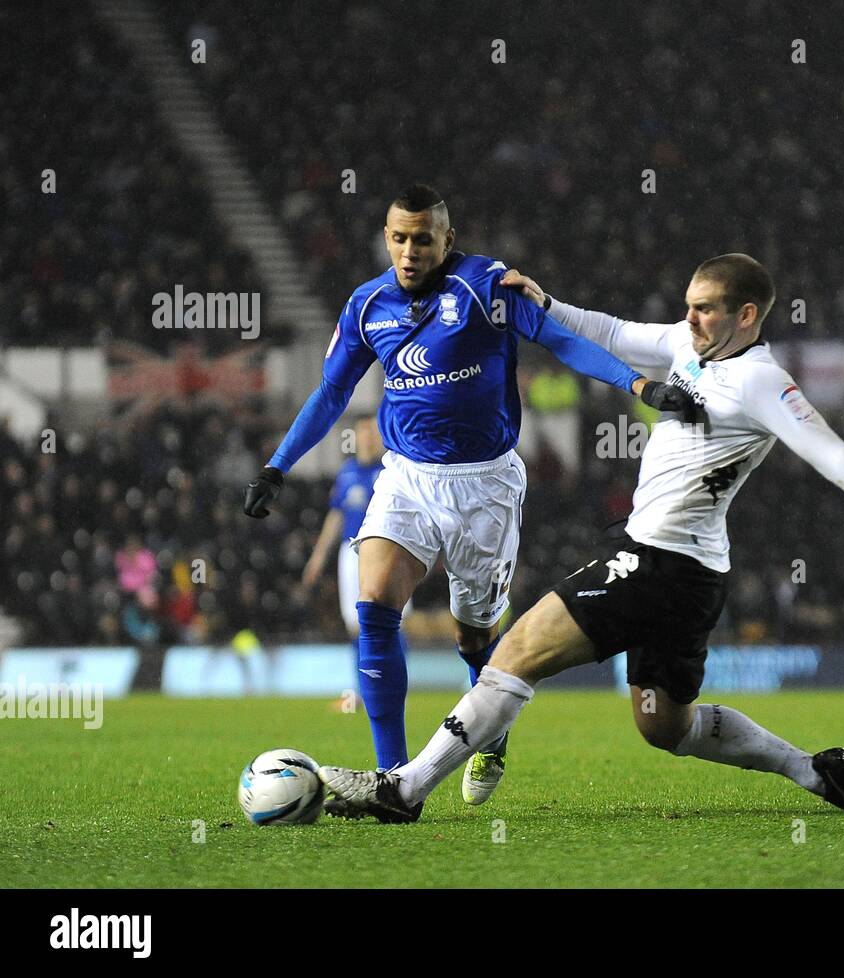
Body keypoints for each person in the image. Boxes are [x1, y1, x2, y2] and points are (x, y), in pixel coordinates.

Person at [315, 253, 844, 822]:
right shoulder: (690, 344)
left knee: (515, 652)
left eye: (706, 308)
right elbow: (612, 331)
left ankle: (403, 789)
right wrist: (544, 302)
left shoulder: (763, 381)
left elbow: (836, 461)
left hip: (658, 562)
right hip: (694, 575)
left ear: (747, 315)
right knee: (666, 727)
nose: (689, 317)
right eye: (688, 304)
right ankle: (818, 773)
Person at [243, 183, 694, 810]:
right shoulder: (366, 305)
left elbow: (562, 340)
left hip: (485, 486)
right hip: (405, 478)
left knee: (476, 641)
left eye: (422, 239)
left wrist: (640, 384)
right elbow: (330, 394)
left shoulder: (487, 288)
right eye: (398, 238)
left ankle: (491, 737)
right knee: (374, 606)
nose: (408, 251)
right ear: (386, 238)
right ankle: (394, 779)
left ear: (446, 241)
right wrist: (277, 466)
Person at [301, 415, 397, 658]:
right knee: (354, 622)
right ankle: (362, 688)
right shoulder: (347, 472)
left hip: (384, 548)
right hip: (351, 551)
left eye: (373, 432)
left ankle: (394, 685)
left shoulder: (390, 469)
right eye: (364, 432)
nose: (369, 438)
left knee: (391, 617)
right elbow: (336, 516)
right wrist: (318, 557)